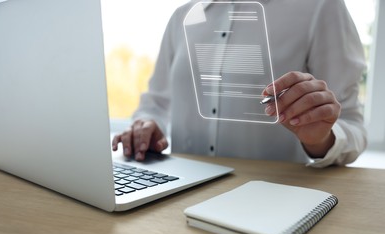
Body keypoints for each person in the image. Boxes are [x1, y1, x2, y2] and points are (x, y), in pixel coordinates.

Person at [112, 0, 367, 168]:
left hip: (270, 203)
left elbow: (352, 124)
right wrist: (147, 124)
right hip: (178, 197)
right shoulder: (183, 16)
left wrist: (321, 139)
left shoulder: (321, 7)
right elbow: (155, 103)